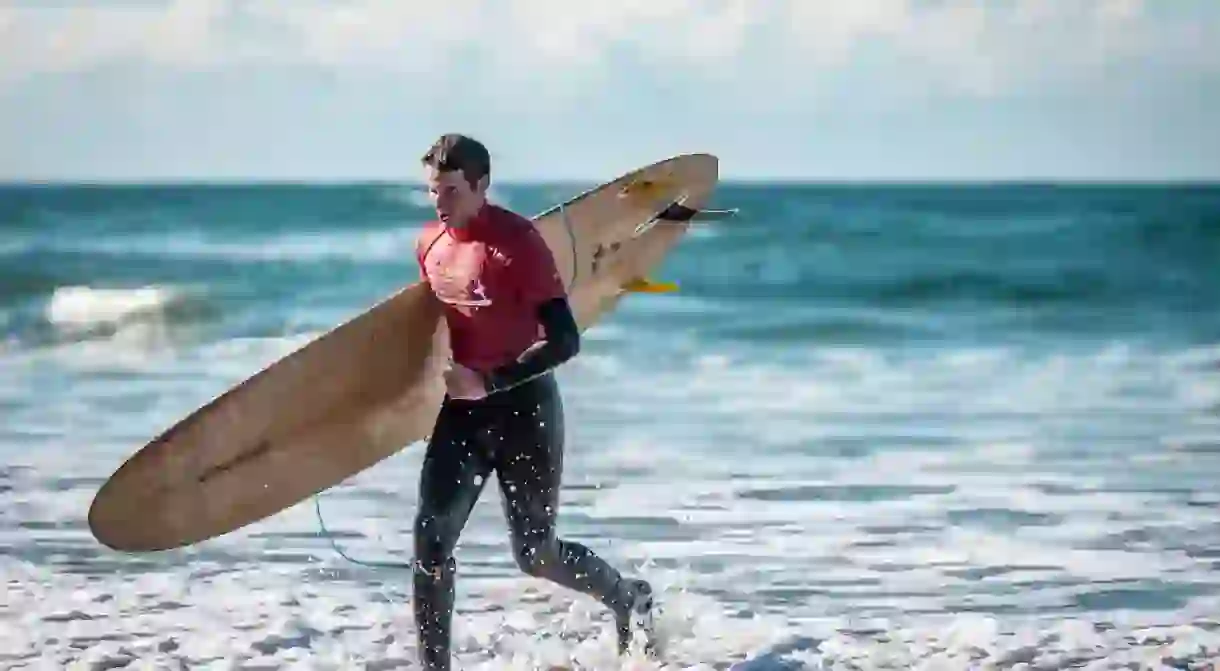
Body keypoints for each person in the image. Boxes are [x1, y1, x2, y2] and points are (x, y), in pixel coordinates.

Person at [410, 133, 656, 670]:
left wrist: (492, 383)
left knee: (535, 555)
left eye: (451, 190)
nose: (439, 202)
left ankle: (627, 597)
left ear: (481, 186)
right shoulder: (429, 244)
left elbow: (566, 340)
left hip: (525, 409)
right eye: (433, 190)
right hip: (463, 414)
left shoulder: (518, 245)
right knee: (430, 548)